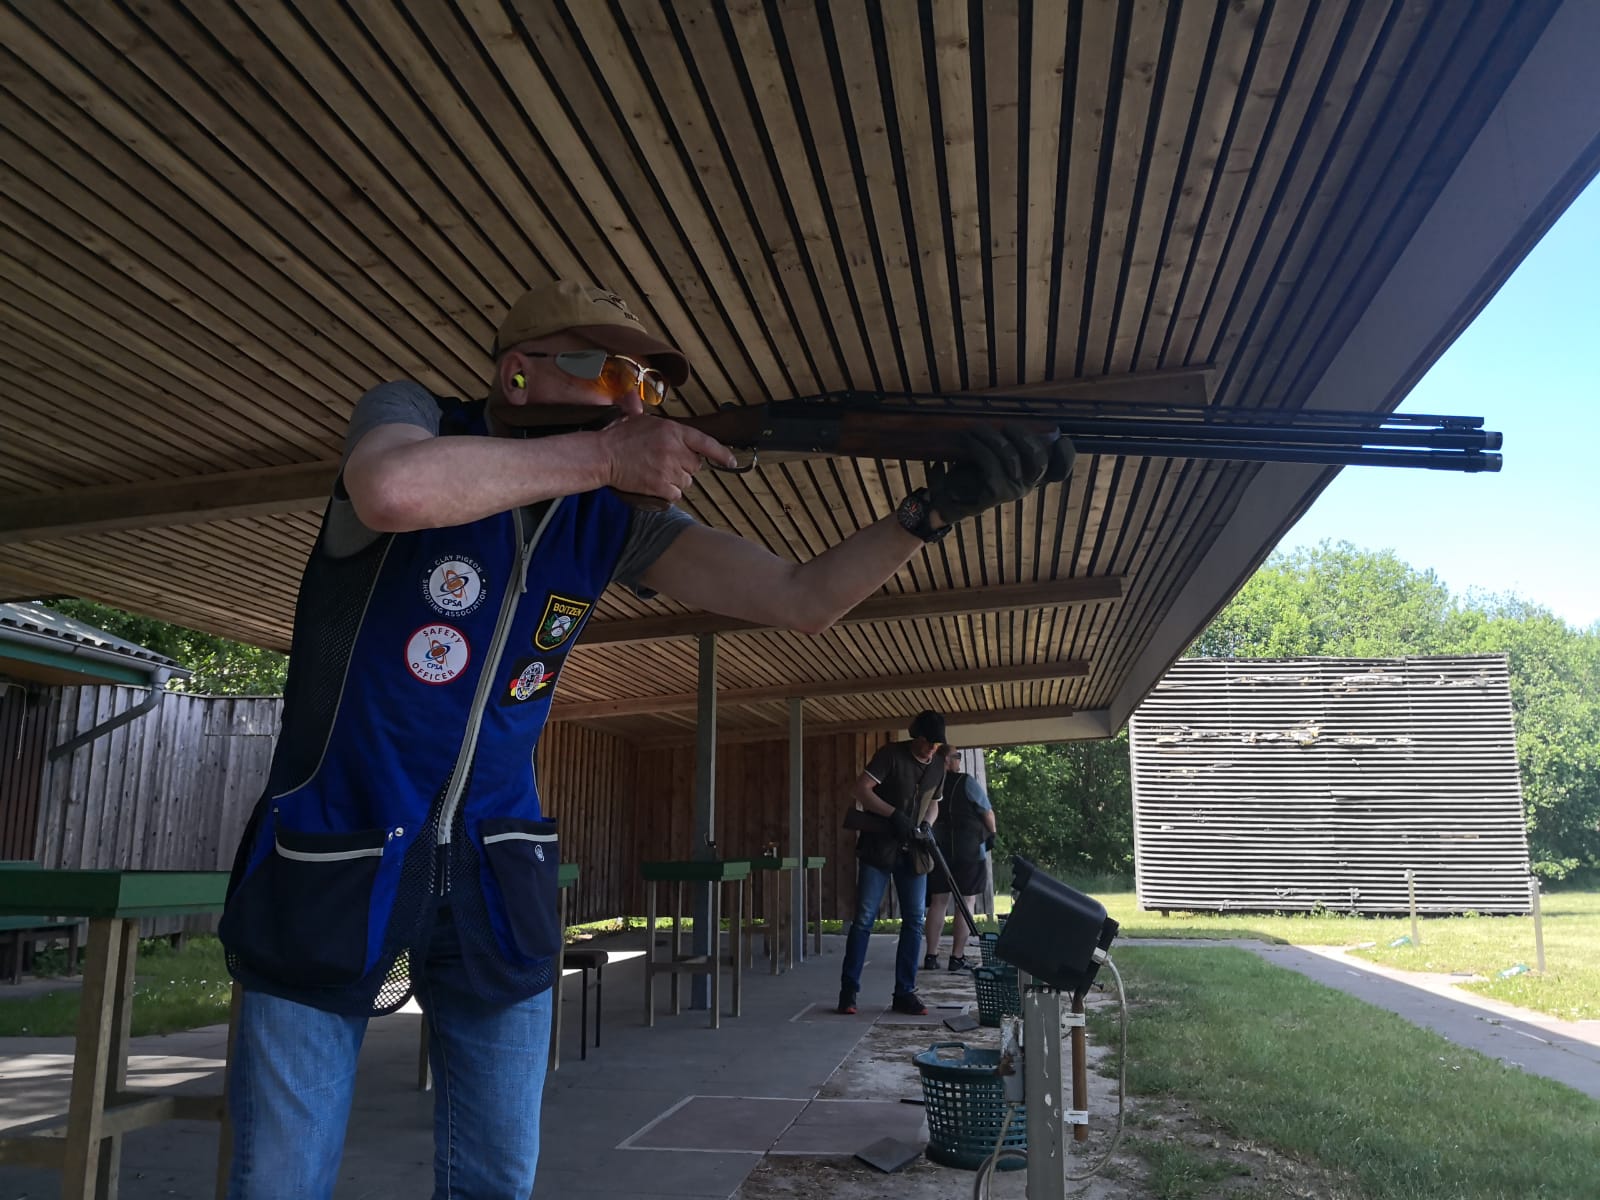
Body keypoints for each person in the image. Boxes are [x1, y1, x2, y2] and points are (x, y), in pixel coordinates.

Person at [215, 279, 1072, 1200]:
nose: (638, 398)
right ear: (517, 373)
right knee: (281, 1181)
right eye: (615, 372)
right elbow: (390, 487)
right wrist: (604, 455)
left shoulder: (614, 517)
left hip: (496, 870)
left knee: (498, 1178)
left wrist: (927, 517)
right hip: (332, 850)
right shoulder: (413, 415)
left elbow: (800, 599)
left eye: (650, 386)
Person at [837, 709, 951, 1017]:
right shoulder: (890, 755)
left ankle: (905, 992)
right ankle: (849, 990)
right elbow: (860, 789)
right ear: (917, 736)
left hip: (914, 851)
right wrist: (893, 815)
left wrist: (926, 825)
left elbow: (934, 806)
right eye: (928, 742)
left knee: (914, 921)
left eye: (937, 744)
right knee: (864, 919)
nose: (932, 749)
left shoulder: (938, 765)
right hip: (880, 845)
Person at [923, 744, 997, 973]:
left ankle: (931, 956)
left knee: (938, 903)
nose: (959, 761)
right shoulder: (967, 782)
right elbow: (987, 812)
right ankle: (957, 957)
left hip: (938, 851)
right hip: (968, 852)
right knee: (966, 903)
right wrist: (992, 834)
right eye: (957, 756)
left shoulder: (929, 783)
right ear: (947, 760)